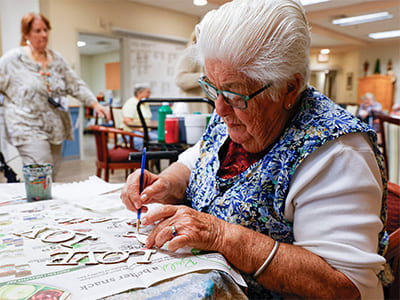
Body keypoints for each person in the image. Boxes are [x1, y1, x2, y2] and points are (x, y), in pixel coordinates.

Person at [121, 0, 389, 299]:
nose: (219, 109)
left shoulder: (337, 151)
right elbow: (196, 159)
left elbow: (346, 287)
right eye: (212, 88)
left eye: (235, 94)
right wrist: (168, 182)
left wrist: (222, 235)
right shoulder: (235, 112)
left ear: (289, 88)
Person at [0, 12, 110, 180]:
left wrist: (94, 103)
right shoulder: (13, 60)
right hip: (25, 125)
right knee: (41, 172)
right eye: (37, 31)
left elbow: (75, 84)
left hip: (55, 126)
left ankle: (38, 203)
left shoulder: (56, 59)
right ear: (26, 33)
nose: (43, 35)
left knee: (50, 173)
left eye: (45, 30)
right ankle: (38, 202)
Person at [174, 30, 210, 114]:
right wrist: (204, 76)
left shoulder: (207, 54)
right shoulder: (191, 53)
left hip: (205, 105)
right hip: (190, 107)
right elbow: (180, 79)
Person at [122, 83, 157, 149]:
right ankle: (145, 158)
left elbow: (148, 120)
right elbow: (127, 121)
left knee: (162, 137)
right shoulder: (131, 103)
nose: (149, 95)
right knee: (151, 139)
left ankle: (154, 158)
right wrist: (141, 129)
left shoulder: (145, 103)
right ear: (139, 93)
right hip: (132, 133)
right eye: (148, 92)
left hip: (146, 131)